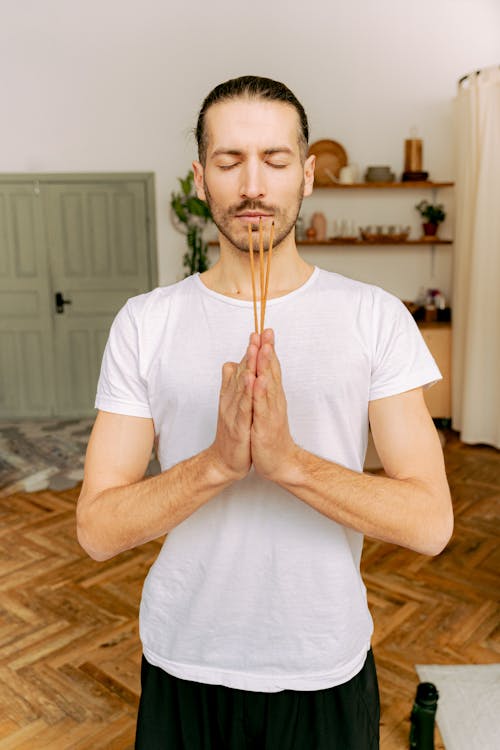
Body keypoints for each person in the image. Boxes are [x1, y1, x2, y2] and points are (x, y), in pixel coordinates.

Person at [77, 75, 453, 750]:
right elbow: (98, 530)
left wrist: (289, 464)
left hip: (324, 666)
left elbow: (429, 524)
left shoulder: (374, 318)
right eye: (229, 161)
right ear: (200, 178)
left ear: (307, 176)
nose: (253, 185)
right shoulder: (146, 323)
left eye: (276, 161)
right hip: (183, 662)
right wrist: (218, 466)